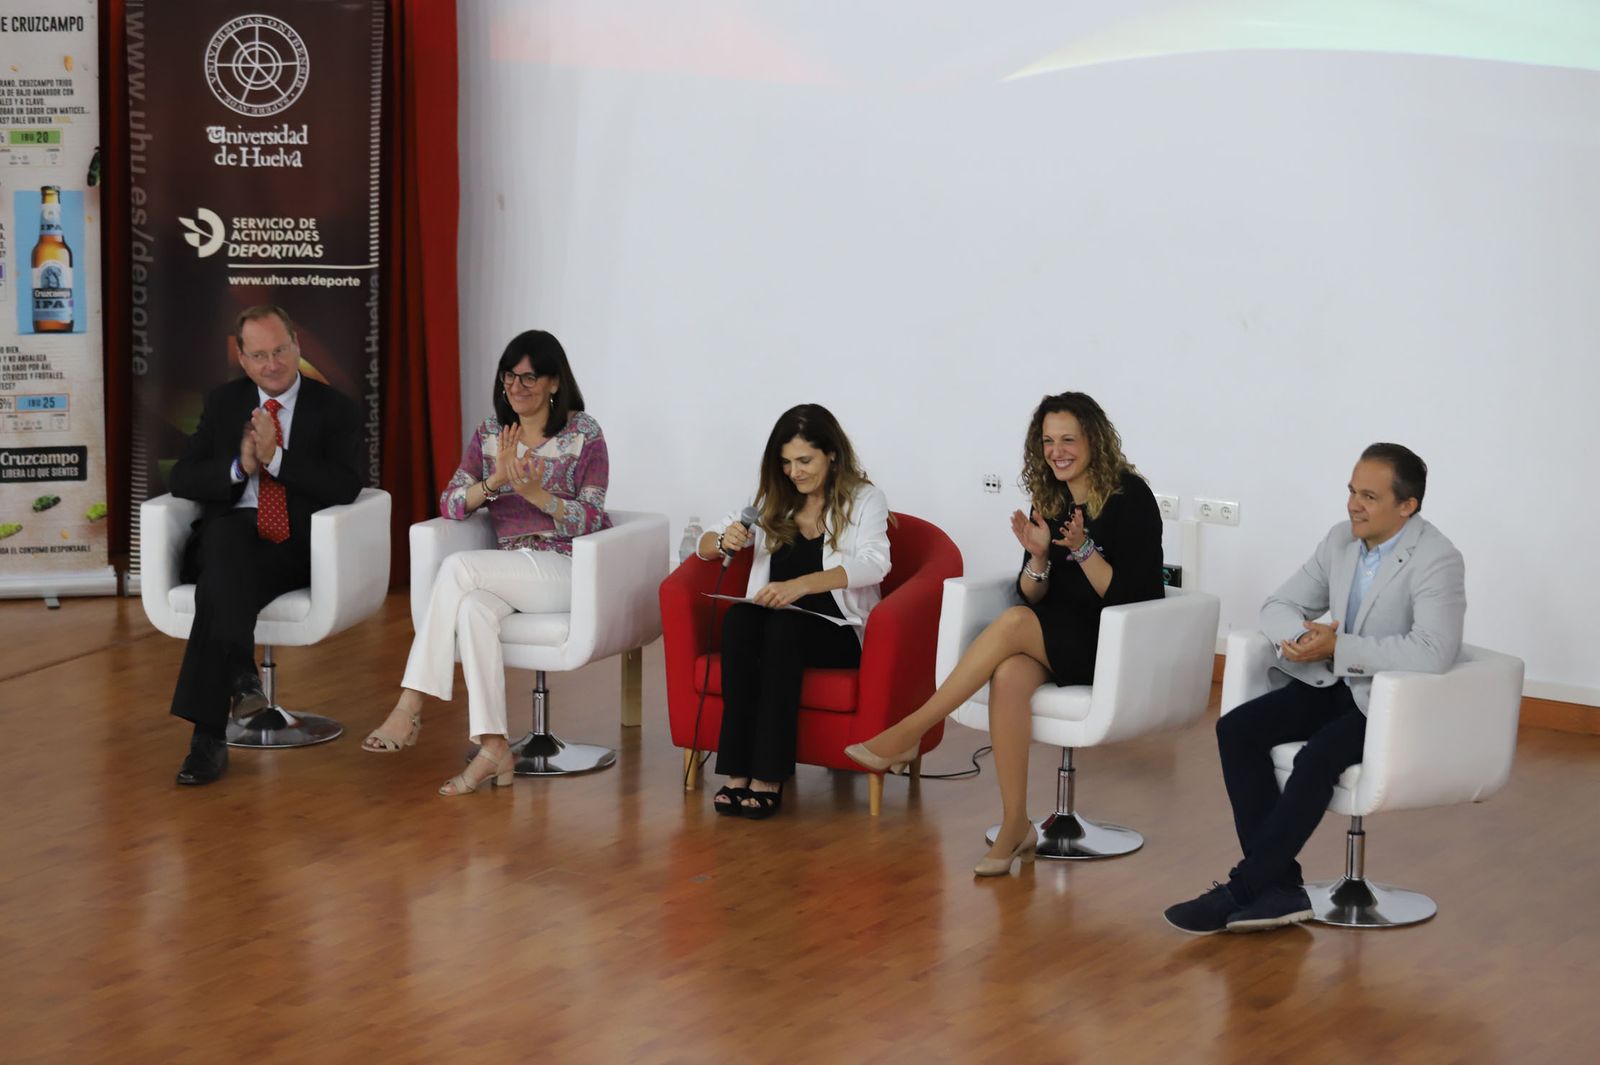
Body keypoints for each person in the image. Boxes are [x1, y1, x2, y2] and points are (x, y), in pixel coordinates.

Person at [846, 392, 1163, 874]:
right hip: (1055, 633)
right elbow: (1032, 595)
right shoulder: (1050, 497)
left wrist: (1082, 549)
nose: (1057, 450)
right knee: (1011, 673)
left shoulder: (1129, 497)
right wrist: (1038, 558)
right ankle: (1016, 825)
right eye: (1048, 441)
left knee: (1014, 625)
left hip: (1111, 642)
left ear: (1094, 441)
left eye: (1068, 440)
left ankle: (913, 728)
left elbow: (1129, 599)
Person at [1164, 443, 1466, 934]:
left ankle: (1244, 889)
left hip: (1388, 702)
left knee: (1320, 755)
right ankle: (1280, 887)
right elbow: (1279, 603)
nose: (1353, 505)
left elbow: (1433, 651)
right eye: (1351, 491)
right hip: (1333, 682)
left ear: (1407, 506)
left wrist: (1339, 647)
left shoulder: (1437, 559)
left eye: (1369, 496)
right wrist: (1307, 639)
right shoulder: (1339, 542)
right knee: (1237, 729)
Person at [362, 330, 610, 795]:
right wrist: (495, 480)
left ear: (554, 382)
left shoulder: (585, 434)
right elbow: (452, 503)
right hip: (511, 570)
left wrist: (541, 497)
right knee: (473, 607)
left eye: (529, 377)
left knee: (458, 570)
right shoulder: (491, 434)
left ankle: (409, 706)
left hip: (563, 568)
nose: (516, 387)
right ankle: (494, 746)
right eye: (509, 377)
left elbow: (593, 519)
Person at [167, 304, 364, 786]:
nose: (271, 364)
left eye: (279, 350)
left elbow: (347, 486)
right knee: (229, 538)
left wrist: (278, 459)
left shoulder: (335, 409)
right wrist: (241, 469)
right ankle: (239, 682)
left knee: (220, 583)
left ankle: (211, 732)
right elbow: (183, 476)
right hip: (228, 536)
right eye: (259, 356)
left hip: (291, 548)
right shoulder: (223, 403)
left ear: (297, 345)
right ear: (241, 357)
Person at [695, 404, 890, 819]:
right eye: (785, 463)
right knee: (740, 621)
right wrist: (722, 540)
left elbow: (876, 563)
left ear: (831, 454)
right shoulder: (771, 499)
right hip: (778, 624)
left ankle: (769, 775)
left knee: (783, 629)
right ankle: (736, 771)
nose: (794, 472)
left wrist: (801, 586)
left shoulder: (864, 499)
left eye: (805, 461)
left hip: (838, 630)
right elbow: (704, 541)